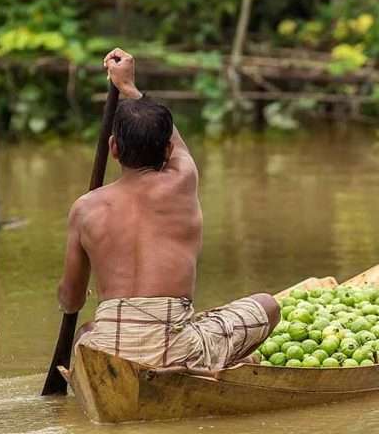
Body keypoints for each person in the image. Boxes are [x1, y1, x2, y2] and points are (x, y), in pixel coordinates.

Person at [57, 48, 280, 374]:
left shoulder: (84, 208)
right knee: (268, 305)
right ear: (168, 149)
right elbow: (178, 145)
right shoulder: (182, 182)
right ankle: (219, 360)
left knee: (87, 331)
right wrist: (129, 87)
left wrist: (72, 300)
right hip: (175, 350)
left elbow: (71, 300)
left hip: (109, 351)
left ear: (113, 149)